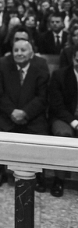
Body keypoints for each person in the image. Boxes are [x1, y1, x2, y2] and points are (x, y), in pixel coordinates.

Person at [0, 39, 50, 189]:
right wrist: (12, 112)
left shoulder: (40, 66)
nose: (19, 53)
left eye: (23, 50)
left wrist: (25, 113)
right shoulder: (2, 64)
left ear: (31, 53)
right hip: (6, 113)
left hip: (32, 115)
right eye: (16, 50)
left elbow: (43, 97)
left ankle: (38, 174)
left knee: (41, 134)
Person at [47, 46, 78, 197]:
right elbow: (57, 105)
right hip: (64, 117)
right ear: (73, 59)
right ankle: (59, 179)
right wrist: (75, 123)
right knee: (63, 134)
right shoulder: (60, 75)